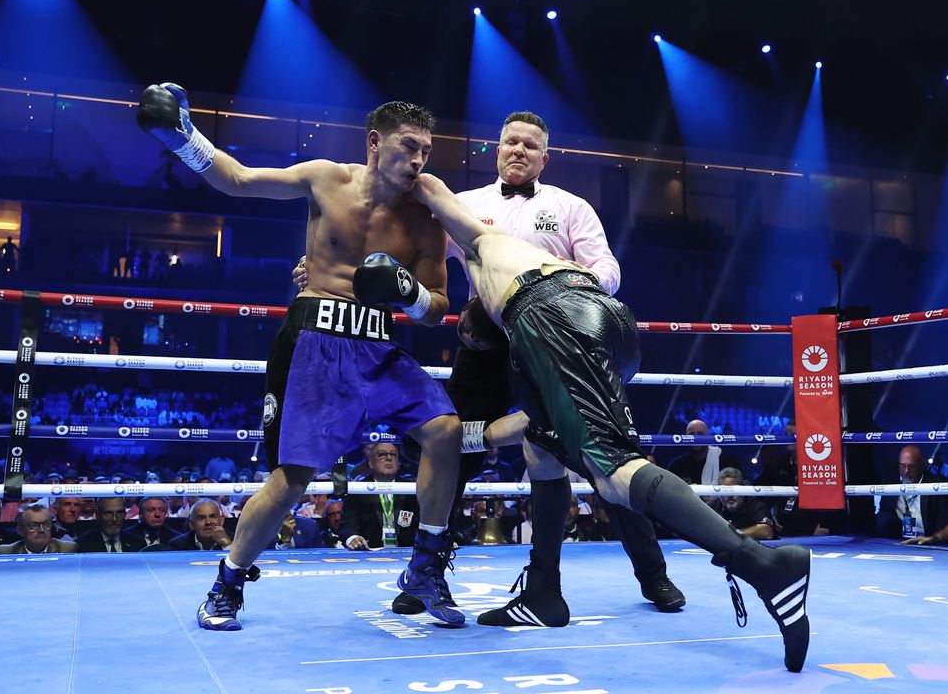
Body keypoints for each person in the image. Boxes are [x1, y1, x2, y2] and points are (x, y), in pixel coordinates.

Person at [404, 173, 812, 673]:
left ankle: (764, 565)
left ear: (480, 319)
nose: (465, 335)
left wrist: (394, 178)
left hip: (553, 313)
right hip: (601, 318)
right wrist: (463, 436)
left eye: (468, 332)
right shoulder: (521, 299)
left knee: (614, 473)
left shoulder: (487, 245)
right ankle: (543, 593)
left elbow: (430, 189)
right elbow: (524, 425)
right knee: (543, 447)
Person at [296, 111, 683, 613]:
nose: (518, 150)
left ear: (545, 157)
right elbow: (404, 248)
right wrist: (323, 268)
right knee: (450, 450)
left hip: (560, 347)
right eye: (510, 142)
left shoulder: (571, 207)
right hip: (486, 347)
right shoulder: (462, 205)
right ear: (497, 150)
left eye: (530, 145)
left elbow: (608, 269)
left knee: (603, 457)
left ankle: (653, 575)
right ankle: (425, 575)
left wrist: (572, 281)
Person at [138, 85, 464, 629]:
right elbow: (239, 179)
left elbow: (438, 308)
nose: (418, 160)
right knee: (293, 478)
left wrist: (407, 293)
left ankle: (425, 569)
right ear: (374, 142)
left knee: (445, 430)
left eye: (426, 151)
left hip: (378, 346)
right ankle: (227, 585)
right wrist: (183, 138)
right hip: (314, 342)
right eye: (409, 146)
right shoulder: (325, 178)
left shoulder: (426, 217)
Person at [339, 443, 419, 550]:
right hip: (368, 552)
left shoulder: (412, 489)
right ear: (371, 463)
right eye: (382, 454)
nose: (389, 458)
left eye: (393, 454)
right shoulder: (357, 490)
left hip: (408, 552)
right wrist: (352, 538)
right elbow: (348, 523)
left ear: (399, 463)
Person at [874, 445, 948, 540]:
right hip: (898, 535)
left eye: (911, 466)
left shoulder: (938, 484)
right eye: (903, 466)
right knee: (883, 519)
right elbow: (884, 511)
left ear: (922, 465)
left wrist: (934, 539)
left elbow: (944, 520)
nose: (906, 471)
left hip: (926, 536)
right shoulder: (890, 478)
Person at [0, 504, 78, 554]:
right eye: (33, 526)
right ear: (20, 531)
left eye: (46, 524)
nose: (41, 530)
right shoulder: (7, 552)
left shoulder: (66, 549)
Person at [76, 498, 145, 553]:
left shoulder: (139, 544)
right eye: (108, 513)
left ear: (125, 514)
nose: (114, 519)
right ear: (97, 515)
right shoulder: (81, 545)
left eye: (119, 513)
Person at [169, 499, 234, 551]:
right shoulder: (178, 546)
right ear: (192, 524)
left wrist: (227, 544)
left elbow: (237, 563)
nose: (208, 522)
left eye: (213, 516)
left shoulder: (236, 541)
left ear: (221, 521)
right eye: (201, 518)